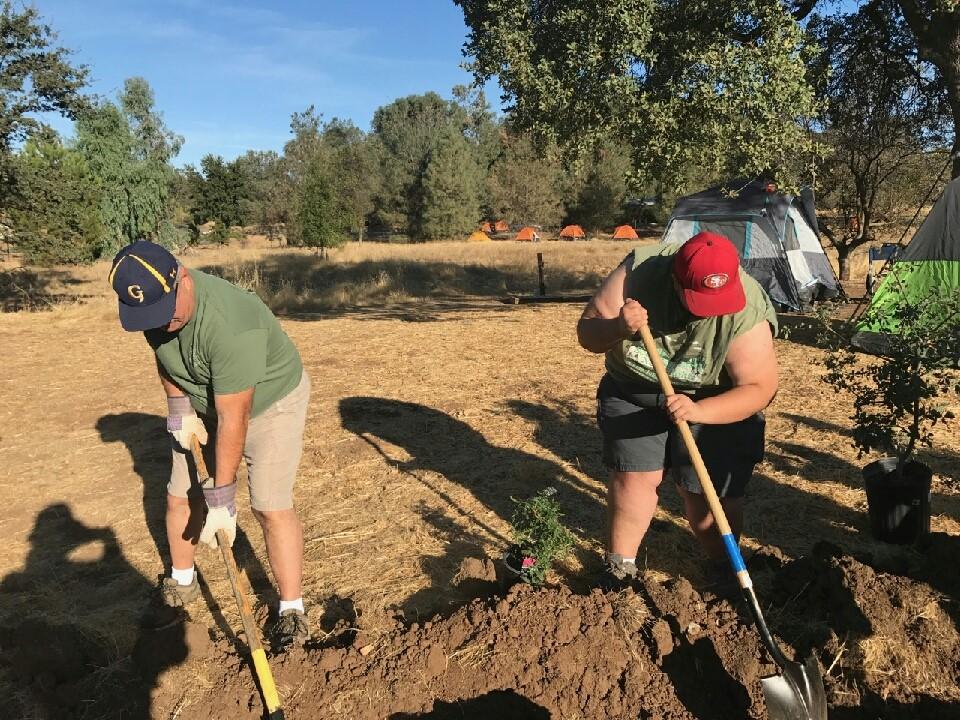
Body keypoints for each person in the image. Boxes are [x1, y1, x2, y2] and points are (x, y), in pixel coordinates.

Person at [108, 240, 311, 649]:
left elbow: (235, 417)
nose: (161, 324)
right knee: (179, 494)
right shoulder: (155, 309)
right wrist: (179, 408)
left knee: (269, 505)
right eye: (149, 318)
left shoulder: (232, 322)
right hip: (204, 401)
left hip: (270, 402)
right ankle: (181, 583)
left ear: (182, 277)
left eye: (165, 313)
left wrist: (221, 496)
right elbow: (167, 359)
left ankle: (292, 610)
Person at [577, 231, 778, 590]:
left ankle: (725, 569)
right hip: (635, 389)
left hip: (714, 400)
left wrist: (699, 411)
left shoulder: (748, 308)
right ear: (674, 278)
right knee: (633, 477)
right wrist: (618, 327)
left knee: (706, 494)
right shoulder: (640, 270)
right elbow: (588, 333)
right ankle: (619, 569)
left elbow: (759, 388)